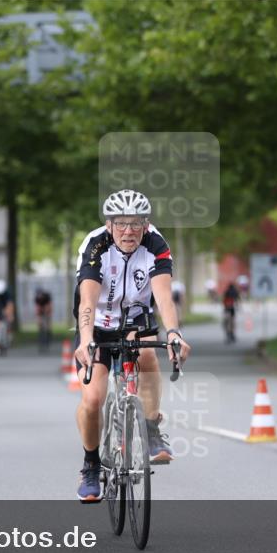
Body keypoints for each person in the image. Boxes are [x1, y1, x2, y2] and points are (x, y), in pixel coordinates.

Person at [73, 189, 192, 503]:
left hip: (133, 321)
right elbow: (87, 301)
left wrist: (175, 332)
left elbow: (164, 297)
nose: (129, 231)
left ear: (146, 223)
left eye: (136, 223)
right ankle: (90, 464)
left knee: (148, 353)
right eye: (121, 223)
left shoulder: (156, 244)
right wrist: (86, 340)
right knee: (93, 399)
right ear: (110, 224)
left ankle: (151, 428)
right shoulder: (95, 245)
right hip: (96, 325)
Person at [0, 279, 15, 356]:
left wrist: (10, 315)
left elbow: (10, 304)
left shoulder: (8, 292)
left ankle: (8, 334)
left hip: (6, 304)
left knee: (7, 320)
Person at [34, 286, 53, 352]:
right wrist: (38, 318)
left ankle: (48, 338)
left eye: (40, 295)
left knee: (47, 326)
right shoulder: (36, 298)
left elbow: (49, 306)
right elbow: (37, 308)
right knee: (40, 326)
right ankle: (41, 341)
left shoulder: (47, 296)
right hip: (41, 311)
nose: (40, 297)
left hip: (47, 309)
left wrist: (48, 314)